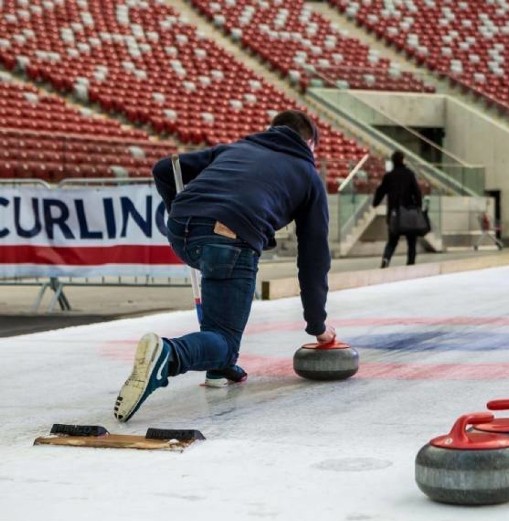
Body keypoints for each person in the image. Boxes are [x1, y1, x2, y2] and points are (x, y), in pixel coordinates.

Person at [113, 110, 336, 423]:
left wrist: (181, 210)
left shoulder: (234, 149)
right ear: (310, 142)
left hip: (181, 229)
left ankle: (219, 370)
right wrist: (318, 326)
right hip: (230, 239)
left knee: (220, 313)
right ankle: (168, 354)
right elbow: (313, 258)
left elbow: (165, 168)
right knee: (226, 343)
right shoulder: (307, 174)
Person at [372, 151, 423, 268]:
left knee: (392, 241)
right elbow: (417, 192)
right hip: (409, 212)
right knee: (411, 241)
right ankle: (410, 263)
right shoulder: (409, 174)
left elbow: (381, 191)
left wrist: (375, 203)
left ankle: (386, 259)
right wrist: (418, 207)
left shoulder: (389, 176)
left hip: (394, 214)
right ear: (403, 160)